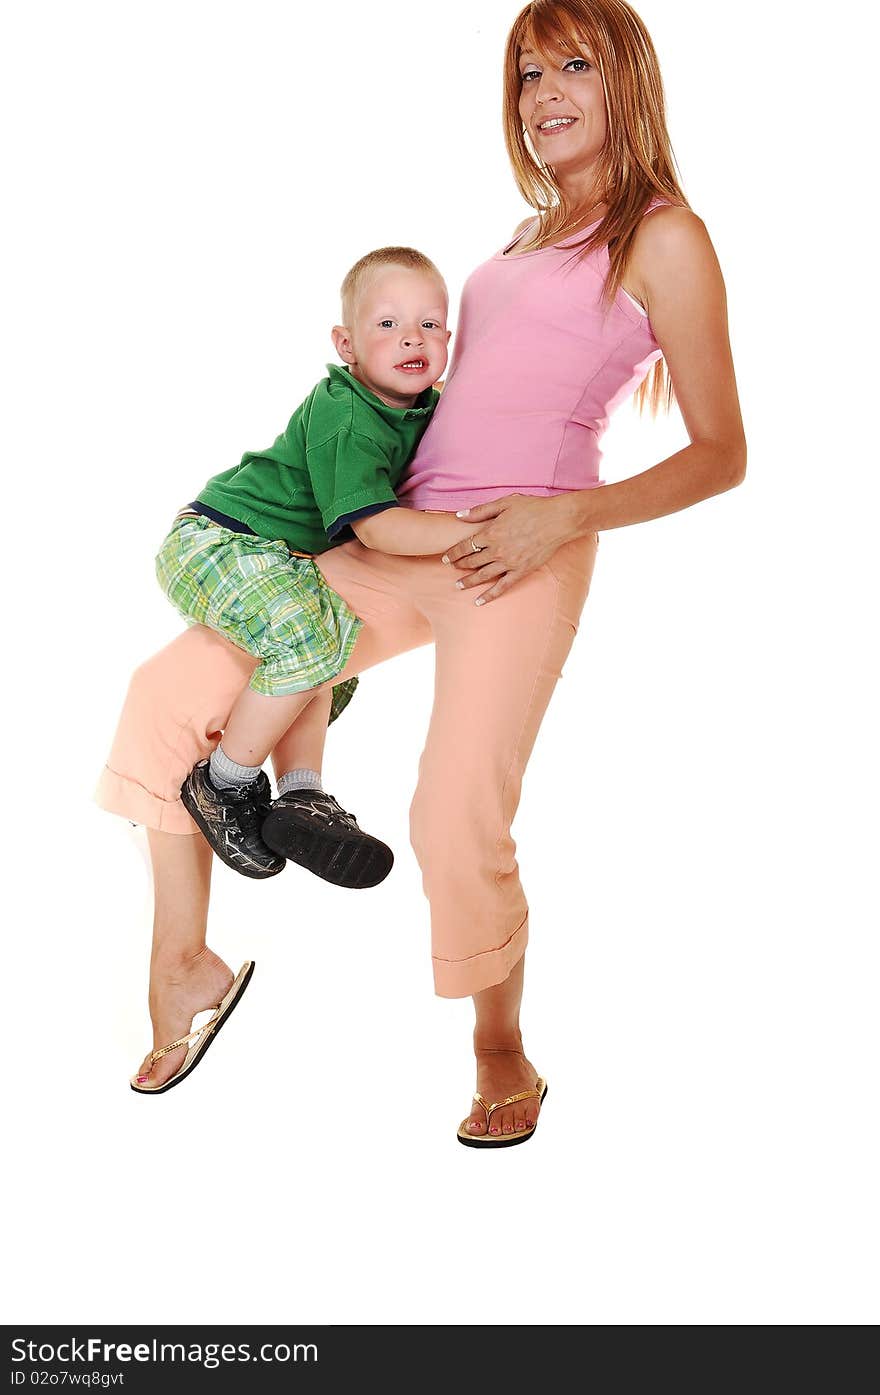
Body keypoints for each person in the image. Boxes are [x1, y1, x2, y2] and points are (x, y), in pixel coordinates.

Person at [96, 0, 746, 1136]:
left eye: (573, 67)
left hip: (519, 555)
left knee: (452, 810)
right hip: (398, 536)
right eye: (528, 74)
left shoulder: (666, 235)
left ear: (628, 79)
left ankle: (502, 1047)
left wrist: (563, 519)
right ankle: (182, 972)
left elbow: (721, 453)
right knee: (167, 697)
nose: (544, 95)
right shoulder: (524, 235)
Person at [155, 246, 482, 888]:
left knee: (335, 647)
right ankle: (222, 784)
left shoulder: (426, 403)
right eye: (387, 325)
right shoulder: (346, 413)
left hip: (281, 556)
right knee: (307, 638)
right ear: (348, 344)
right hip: (217, 541)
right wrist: (469, 531)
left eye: (431, 324)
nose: (412, 337)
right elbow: (377, 527)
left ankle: (301, 793)